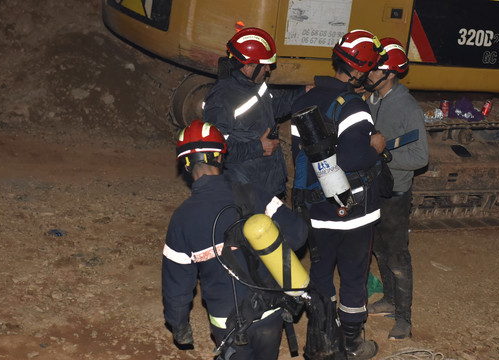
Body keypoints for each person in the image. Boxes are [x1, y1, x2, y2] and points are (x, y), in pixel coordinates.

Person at [162, 119, 308, 360]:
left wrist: (179, 326)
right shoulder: (253, 193)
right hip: (271, 311)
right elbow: (299, 234)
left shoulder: (182, 219)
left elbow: (177, 283)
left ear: (186, 165)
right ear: (221, 157)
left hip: (227, 322)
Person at [290, 29, 387, 360]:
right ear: (359, 71)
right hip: (353, 212)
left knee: (319, 275)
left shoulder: (304, 100)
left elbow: (298, 155)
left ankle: (321, 339)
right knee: (353, 276)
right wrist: (375, 147)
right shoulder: (355, 106)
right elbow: (351, 158)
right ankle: (351, 342)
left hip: (314, 207)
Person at [363, 38, 429, 341]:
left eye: (375, 68)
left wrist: (384, 155)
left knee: (398, 255)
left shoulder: (407, 107)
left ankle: (404, 318)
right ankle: (389, 300)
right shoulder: (372, 99)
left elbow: (420, 158)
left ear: (390, 74)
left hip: (396, 194)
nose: (368, 71)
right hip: (374, 188)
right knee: (379, 248)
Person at [203, 27, 305, 200]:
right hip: (244, 191)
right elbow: (215, 150)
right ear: (247, 66)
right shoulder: (222, 98)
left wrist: (303, 93)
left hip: (267, 184)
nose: (268, 69)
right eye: (264, 64)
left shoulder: (255, 85)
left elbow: (272, 109)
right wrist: (258, 148)